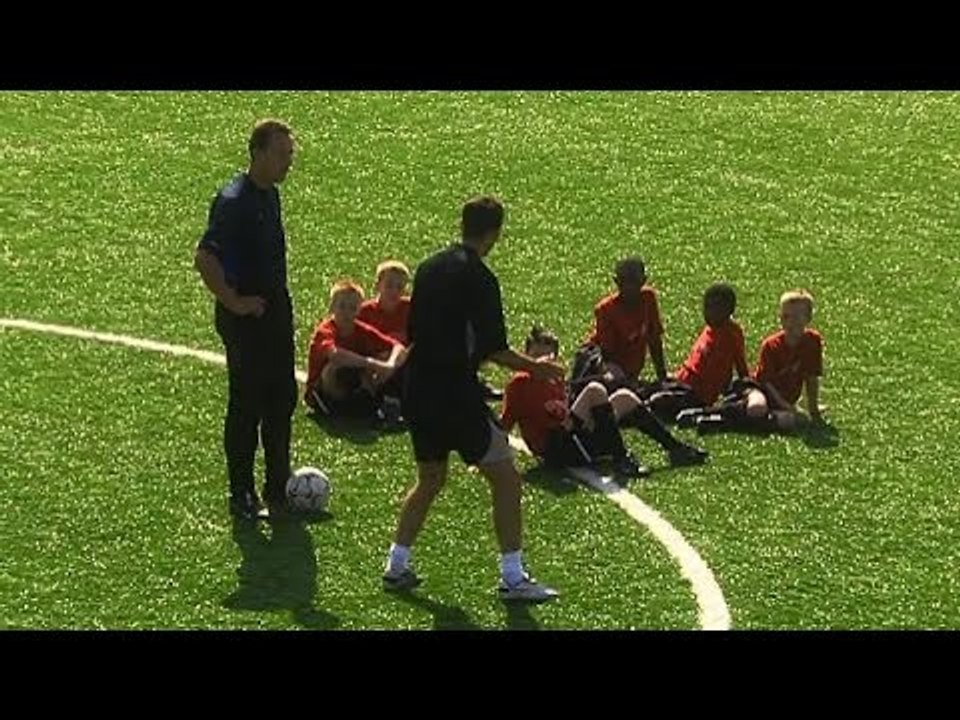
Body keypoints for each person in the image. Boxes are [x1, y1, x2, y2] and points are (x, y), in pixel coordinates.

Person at [382, 196, 565, 603]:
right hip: (454, 395)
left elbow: (414, 331)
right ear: (493, 233)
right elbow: (495, 349)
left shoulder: (428, 268)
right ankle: (513, 577)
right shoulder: (480, 278)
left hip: (418, 390)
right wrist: (540, 369)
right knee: (506, 478)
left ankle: (396, 564)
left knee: (430, 479)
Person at [194, 119, 297, 520]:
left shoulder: (269, 195)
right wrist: (234, 302)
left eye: (290, 155)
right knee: (247, 405)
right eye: (282, 154)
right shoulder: (234, 201)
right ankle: (241, 493)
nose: (288, 163)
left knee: (281, 399)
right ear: (258, 154)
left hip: (273, 312)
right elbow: (205, 256)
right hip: (248, 320)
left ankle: (277, 489)